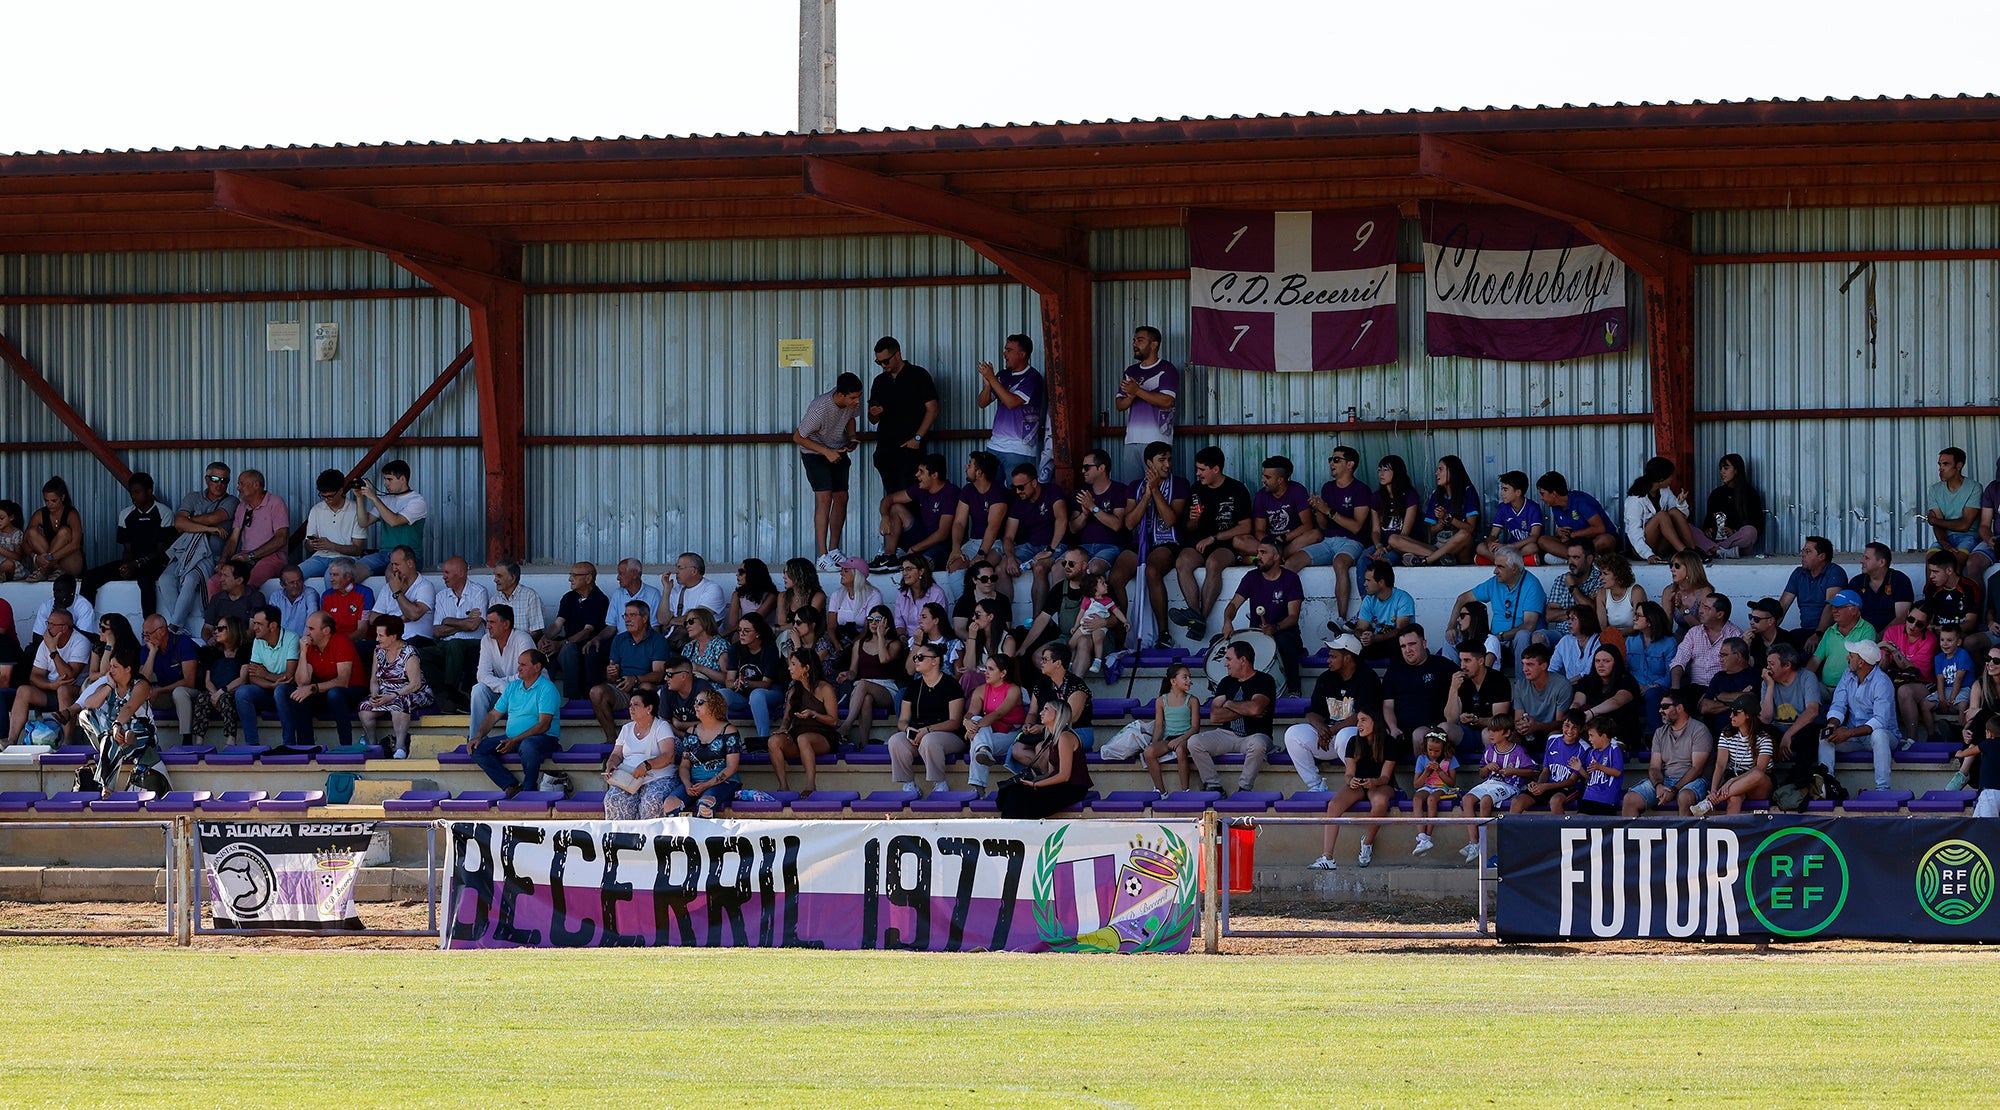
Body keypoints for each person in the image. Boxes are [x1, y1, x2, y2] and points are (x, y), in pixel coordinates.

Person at [1169, 446, 1254, 641]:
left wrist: (1214, 537)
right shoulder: (1197, 489)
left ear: (1216, 469)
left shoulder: (1237, 488)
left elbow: (1245, 527)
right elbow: (1189, 527)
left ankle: (1200, 618)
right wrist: (1193, 520)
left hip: (1224, 544)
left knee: (1213, 564)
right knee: (1182, 562)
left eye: (1202, 469)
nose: (1197, 474)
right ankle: (1195, 614)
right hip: (1199, 543)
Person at [1283, 634, 1383, 792]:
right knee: (1293, 733)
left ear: (1348, 658)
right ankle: (1316, 786)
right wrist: (1320, 727)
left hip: (1357, 740)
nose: (1328, 660)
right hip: (1328, 738)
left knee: (1345, 736)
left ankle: (1359, 783)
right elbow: (1313, 712)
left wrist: (1331, 731)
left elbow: (1364, 715)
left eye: (1333, 656)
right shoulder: (1326, 678)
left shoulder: (1367, 678)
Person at [1310, 709, 1399, 870]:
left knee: (1379, 801)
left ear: (1375, 722)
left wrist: (1374, 782)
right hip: (1358, 785)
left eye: (1363, 720)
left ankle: (1367, 843)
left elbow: (1386, 777)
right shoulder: (1353, 741)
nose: (1359, 724)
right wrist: (1351, 781)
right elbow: (1349, 774)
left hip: (1381, 785)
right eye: (1358, 720)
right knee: (1333, 805)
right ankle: (1327, 857)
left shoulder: (1390, 743)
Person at [156, 463, 239, 637]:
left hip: (210, 556)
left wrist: (191, 521)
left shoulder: (231, 501)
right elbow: (178, 524)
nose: (220, 484)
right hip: (184, 553)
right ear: (206, 479)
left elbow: (212, 518)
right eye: (215, 479)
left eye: (224, 480)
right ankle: (181, 626)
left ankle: (174, 628)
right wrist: (210, 529)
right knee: (164, 579)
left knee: (191, 579)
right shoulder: (193, 497)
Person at [1289, 446, 1371, 620]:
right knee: (1291, 563)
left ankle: (1341, 619)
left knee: (1340, 563)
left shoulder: (1361, 489)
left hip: (1352, 541)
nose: (1331, 463)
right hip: (1328, 540)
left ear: (1350, 464)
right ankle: (1283, 613)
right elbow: (1323, 525)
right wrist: (1318, 509)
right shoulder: (1327, 487)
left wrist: (1328, 511)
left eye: (1336, 459)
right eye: (1330, 459)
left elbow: (1356, 527)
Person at [467, 648, 562, 797]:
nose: (518, 668)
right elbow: (493, 715)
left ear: (537, 667)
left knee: (528, 745)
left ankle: (529, 790)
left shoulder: (547, 689)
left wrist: (515, 740)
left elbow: (544, 725)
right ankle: (511, 785)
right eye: (519, 664)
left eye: (523, 665)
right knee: (478, 749)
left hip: (544, 738)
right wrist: (478, 735)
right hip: (514, 738)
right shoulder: (512, 687)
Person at [1187, 640, 1274, 795]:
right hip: (1226, 735)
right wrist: (1244, 708)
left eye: (1228, 659)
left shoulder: (1264, 680)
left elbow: (1255, 708)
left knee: (1259, 744)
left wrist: (1228, 703)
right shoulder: (1225, 682)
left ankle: (1244, 788)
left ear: (1243, 660)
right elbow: (1215, 716)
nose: (1225, 664)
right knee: (1194, 742)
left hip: (1255, 734)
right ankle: (1214, 786)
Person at [76, 642, 165, 794]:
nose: (110, 670)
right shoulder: (109, 685)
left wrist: (117, 724)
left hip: (140, 734)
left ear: (128, 669)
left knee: (112, 740)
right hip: (115, 733)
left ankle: (106, 787)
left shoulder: (141, 685)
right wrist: (109, 687)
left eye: (115, 667)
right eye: (110, 666)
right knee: (85, 714)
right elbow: (89, 703)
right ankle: (111, 739)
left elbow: (129, 707)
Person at [1126, 440, 1191, 646]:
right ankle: (1121, 631)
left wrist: (1155, 491)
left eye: (1169, 460)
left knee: (1152, 571)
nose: (1167, 465)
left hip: (1168, 542)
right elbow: (1129, 523)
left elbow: (1171, 519)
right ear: (1149, 463)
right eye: (1161, 460)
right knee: (1116, 576)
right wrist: (1145, 497)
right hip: (1141, 541)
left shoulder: (1180, 484)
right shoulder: (1134, 486)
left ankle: (1164, 633)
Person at [1098, 663, 1196, 797]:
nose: (1189, 680)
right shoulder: (1161, 701)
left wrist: (1180, 739)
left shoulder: (1192, 700)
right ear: (1173, 681)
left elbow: (1195, 727)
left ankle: (1185, 791)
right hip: (1169, 738)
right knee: (1148, 752)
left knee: (1180, 750)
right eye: (1185, 677)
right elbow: (1159, 725)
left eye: (1189, 677)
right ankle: (1161, 791)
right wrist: (1154, 743)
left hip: (1185, 738)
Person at [80, 472, 172, 614]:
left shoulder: (164, 512)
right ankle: (83, 621)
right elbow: (127, 549)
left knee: (146, 582)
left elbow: (161, 550)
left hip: (155, 565)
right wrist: (126, 567)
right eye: (131, 492)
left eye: (137, 492)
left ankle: (149, 627)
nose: (133, 496)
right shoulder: (126, 514)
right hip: (133, 563)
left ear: (149, 492)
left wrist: (136, 564)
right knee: (90, 577)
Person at [1221, 538, 1304, 692]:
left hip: (1284, 633)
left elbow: (1293, 616)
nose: (1257, 556)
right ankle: (1219, 691)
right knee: (1220, 643)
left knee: (1285, 641)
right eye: (1257, 552)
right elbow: (1233, 604)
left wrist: (1275, 627)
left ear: (1276, 557)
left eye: (1263, 553)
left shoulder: (1291, 579)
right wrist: (1227, 621)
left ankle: (1294, 691)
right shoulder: (1251, 577)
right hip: (1257, 634)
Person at [866, 336, 939, 505]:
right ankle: (895, 531)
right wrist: (875, 413)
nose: (883, 366)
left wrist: (918, 438)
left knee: (913, 498)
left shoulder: (919, 376)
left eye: (885, 361)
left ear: (898, 354)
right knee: (892, 500)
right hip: (886, 450)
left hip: (910, 451)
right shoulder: (880, 381)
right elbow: (872, 419)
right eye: (879, 363)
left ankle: (914, 531)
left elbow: (933, 409)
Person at [1821, 638, 1899, 791]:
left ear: (1861, 662)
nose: (1847, 657)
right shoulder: (1848, 674)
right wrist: (1833, 725)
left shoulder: (1882, 682)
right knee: (1824, 736)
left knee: (1879, 735)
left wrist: (1849, 733)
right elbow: (1838, 704)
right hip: (1855, 736)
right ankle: (1826, 785)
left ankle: (1882, 789)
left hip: (1884, 736)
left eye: (1851, 655)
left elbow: (1880, 721)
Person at [888, 642, 965, 795]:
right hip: (918, 734)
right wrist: (907, 729)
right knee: (896, 740)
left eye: (921, 657)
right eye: (915, 657)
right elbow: (902, 720)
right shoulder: (913, 687)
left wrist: (928, 730)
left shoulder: (951, 685)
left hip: (949, 736)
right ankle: (909, 784)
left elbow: (955, 722)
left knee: (930, 740)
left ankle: (940, 783)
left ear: (935, 661)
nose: (916, 660)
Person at [1621, 689, 1714, 816]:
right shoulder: (1659, 732)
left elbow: (1697, 769)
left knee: (1685, 797)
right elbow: (1654, 767)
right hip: (1666, 779)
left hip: (1694, 780)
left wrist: (1674, 789)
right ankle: (1631, 835)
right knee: (1630, 799)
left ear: (1680, 708)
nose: (1660, 711)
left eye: (1665, 707)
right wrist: (1659, 785)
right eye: (1660, 707)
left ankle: (1685, 836)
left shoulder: (1699, 730)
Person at [996, 700, 1093, 819]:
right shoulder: (1052, 738)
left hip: (1072, 788)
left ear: (1058, 714)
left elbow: (1064, 776)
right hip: (1060, 785)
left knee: (1018, 797)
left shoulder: (1065, 737)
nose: (1041, 713)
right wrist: (1034, 779)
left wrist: (1036, 784)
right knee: (1010, 790)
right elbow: (1052, 773)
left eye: (1046, 709)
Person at [4, 609, 88, 746]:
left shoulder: (80, 642)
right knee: (23, 690)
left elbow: (69, 676)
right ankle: (11, 740)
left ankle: (67, 742)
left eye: (53, 624)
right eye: (48, 623)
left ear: (65, 628)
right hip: (51, 689)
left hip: (75, 693)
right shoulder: (46, 643)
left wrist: (53, 650)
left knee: (63, 689)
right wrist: (50, 686)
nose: (48, 627)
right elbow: (34, 676)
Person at [1459, 717, 1536, 862]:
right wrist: (1487, 767)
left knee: (1486, 800)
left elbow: (1533, 771)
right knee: (1467, 799)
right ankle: (1474, 843)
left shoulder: (1518, 751)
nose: (1491, 734)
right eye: (1489, 730)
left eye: (1495, 731)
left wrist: (1514, 771)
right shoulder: (1489, 750)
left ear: (1507, 733)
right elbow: (1481, 773)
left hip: (1510, 786)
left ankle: (1483, 842)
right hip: (1490, 783)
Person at [1455, 547, 1545, 671]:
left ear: (1514, 569)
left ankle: (1521, 684)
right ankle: (1452, 681)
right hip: (1496, 641)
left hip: (1517, 643)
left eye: (1500, 567)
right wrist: (1450, 627)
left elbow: (1529, 625)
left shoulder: (1532, 585)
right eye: (1495, 566)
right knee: (1452, 637)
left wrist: (1500, 637)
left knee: (1522, 635)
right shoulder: (1495, 582)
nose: (1495, 571)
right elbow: (1462, 599)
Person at [589, 601, 668, 742]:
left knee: (646, 688)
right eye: (625, 615)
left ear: (644, 618)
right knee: (596, 692)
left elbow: (659, 674)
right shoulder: (619, 639)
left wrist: (636, 679)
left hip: (645, 685)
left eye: (632, 615)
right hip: (623, 687)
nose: (627, 619)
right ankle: (612, 740)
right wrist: (612, 673)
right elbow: (612, 678)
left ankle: (648, 738)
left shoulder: (658, 640)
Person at [279, 611, 360, 748]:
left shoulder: (341, 641)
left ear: (326, 630)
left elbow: (343, 681)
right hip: (324, 691)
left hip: (352, 691)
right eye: (307, 628)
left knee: (334, 694)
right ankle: (306, 747)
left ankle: (346, 746)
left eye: (311, 628)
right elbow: (302, 682)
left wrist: (312, 688)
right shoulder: (311, 646)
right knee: (297, 694)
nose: (307, 633)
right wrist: (303, 652)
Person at [358, 613, 434, 758]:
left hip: (411, 692)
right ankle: (373, 745)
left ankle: (400, 747)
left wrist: (392, 696)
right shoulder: (378, 651)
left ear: (393, 637)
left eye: (381, 636)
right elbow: (374, 679)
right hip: (385, 693)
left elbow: (415, 684)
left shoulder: (409, 652)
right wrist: (374, 695)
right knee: (365, 707)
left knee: (398, 703)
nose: (377, 639)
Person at [602, 689, 683, 820]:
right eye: (630, 705)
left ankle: (649, 839)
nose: (631, 708)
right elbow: (616, 754)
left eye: (636, 705)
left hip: (658, 777)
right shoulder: (626, 728)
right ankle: (621, 839)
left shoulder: (662, 726)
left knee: (652, 801)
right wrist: (611, 764)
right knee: (613, 799)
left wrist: (646, 765)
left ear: (649, 708)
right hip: (629, 779)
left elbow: (669, 755)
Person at [1071, 449, 1138, 606]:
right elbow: (1073, 527)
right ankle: (1066, 617)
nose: (1082, 471)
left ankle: (1096, 617)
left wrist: (1093, 508)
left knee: (1094, 569)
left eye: (1087, 467)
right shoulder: (1082, 492)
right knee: (1060, 569)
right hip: (1084, 547)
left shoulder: (1120, 490)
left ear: (1101, 468)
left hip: (1111, 546)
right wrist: (1084, 514)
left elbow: (1117, 524)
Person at [871, 453, 959, 572]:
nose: (916, 475)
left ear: (934, 475)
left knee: (919, 568)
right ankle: (889, 557)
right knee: (895, 508)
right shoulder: (920, 488)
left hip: (941, 546)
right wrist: (885, 517)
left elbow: (942, 534)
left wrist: (914, 549)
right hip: (922, 537)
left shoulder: (950, 492)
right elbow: (889, 499)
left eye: (921, 471)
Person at [421, 556, 488, 711]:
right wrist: (462, 622)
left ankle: (453, 694)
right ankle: (443, 693)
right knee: (419, 654)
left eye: (447, 572)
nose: (443, 577)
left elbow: (473, 626)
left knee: (455, 644)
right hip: (446, 644)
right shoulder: (442, 596)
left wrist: (448, 621)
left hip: (472, 644)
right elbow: (437, 631)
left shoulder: (478, 592)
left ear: (461, 573)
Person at [769, 648, 839, 796]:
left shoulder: (825, 688)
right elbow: (787, 718)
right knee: (774, 741)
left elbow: (833, 721)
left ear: (806, 668)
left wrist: (814, 714)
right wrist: (783, 728)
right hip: (798, 733)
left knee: (803, 739)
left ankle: (810, 785)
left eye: (793, 664)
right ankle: (783, 786)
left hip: (822, 735)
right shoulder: (794, 690)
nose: (789, 668)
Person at [1002, 463, 1071, 610]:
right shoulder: (1018, 501)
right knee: (1001, 568)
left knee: (1039, 568)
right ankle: (1005, 621)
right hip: (1030, 546)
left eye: (1021, 487)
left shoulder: (1052, 491)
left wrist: (1050, 549)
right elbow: (1008, 536)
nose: (1018, 491)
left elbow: (1062, 519)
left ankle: (1038, 621)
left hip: (1056, 544)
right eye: (1014, 488)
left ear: (1034, 483)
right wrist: (1010, 558)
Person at [976, 333, 1045, 477]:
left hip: (1019, 449)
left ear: (1022, 354)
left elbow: (1011, 402)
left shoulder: (1033, 378)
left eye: (1009, 350)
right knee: (993, 492)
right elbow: (982, 403)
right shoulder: (1003, 375)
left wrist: (991, 378)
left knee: (1017, 493)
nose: (1004, 353)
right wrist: (988, 385)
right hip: (995, 445)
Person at [228, 605, 299, 747]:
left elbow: (289, 676)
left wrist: (266, 675)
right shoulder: (257, 641)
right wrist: (272, 684)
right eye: (254, 623)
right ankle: (252, 744)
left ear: (272, 626)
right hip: (268, 690)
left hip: (289, 692)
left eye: (259, 624)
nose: (254, 628)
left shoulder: (292, 638)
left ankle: (289, 744)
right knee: (242, 692)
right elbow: (253, 677)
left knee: (280, 691)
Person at [1115, 325, 1178, 480]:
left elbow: (1167, 401)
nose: (1135, 344)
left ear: (1154, 344)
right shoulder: (1131, 371)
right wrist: (1130, 396)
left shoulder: (1166, 369)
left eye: (1140, 340)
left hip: (1157, 440)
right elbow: (1119, 405)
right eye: (1134, 340)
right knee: (1133, 489)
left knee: (1159, 488)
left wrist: (1137, 391)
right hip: (1131, 440)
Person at [1392, 456, 1479, 566]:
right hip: (1439, 546)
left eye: (1440, 469)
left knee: (1464, 534)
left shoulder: (1467, 492)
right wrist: (1439, 524)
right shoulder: (1437, 495)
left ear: (1452, 471)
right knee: (1394, 539)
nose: (1436, 473)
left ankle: (1426, 560)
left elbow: (1470, 529)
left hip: (1460, 549)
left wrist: (1448, 517)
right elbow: (1429, 532)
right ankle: (1441, 558)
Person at [962, 653, 1028, 798]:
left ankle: (978, 792)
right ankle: (983, 749)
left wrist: (973, 729)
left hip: (1011, 736)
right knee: (979, 738)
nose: (986, 672)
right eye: (986, 668)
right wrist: (966, 722)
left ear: (1003, 673)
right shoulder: (980, 690)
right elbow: (971, 713)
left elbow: (998, 713)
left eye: (991, 669)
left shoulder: (1014, 690)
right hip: (990, 735)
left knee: (977, 742)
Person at [211, 469, 289, 592]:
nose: (238, 487)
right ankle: (221, 611)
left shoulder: (275, 502)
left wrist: (251, 555)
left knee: (248, 582)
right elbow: (233, 539)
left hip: (272, 556)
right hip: (244, 559)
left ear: (256, 485)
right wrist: (223, 561)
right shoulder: (242, 507)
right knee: (213, 583)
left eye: (241, 483)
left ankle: (242, 610)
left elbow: (281, 538)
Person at [1382, 625, 1457, 750]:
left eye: (1412, 644)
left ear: (1424, 643)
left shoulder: (1443, 666)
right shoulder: (1394, 670)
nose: (1408, 650)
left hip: (1436, 733)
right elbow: (1388, 706)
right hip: (1402, 734)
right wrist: (1393, 728)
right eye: (1403, 646)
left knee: (1420, 735)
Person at [540, 563, 608, 700]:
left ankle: (573, 699)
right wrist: (545, 638)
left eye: (574, 575)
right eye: (570, 575)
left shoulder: (599, 599)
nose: (570, 579)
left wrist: (561, 644)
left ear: (588, 578)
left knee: (568, 650)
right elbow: (558, 624)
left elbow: (587, 631)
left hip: (589, 643)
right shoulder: (568, 597)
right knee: (545, 649)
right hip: (570, 641)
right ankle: (542, 696)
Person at [837, 605, 904, 744]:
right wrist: (846, 674)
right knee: (866, 699)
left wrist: (880, 637)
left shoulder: (894, 643)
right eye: (870, 619)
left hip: (886, 688)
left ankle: (846, 726)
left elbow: (884, 659)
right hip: (863, 689)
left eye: (878, 619)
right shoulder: (859, 643)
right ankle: (863, 743)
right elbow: (854, 671)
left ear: (886, 621)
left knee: (863, 684)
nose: (873, 623)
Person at [470, 604, 536, 741]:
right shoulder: (486, 640)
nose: (488, 626)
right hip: (504, 693)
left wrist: (504, 685)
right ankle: (475, 739)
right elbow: (482, 675)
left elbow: (527, 676)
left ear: (506, 624)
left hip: (528, 693)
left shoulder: (523, 639)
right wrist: (503, 687)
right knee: (478, 689)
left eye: (492, 622)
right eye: (487, 622)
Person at [1697, 703, 1775, 815]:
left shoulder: (1764, 738)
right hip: (1734, 777)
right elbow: (1720, 765)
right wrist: (1713, 790)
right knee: (1734, 799)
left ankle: (1711, 802)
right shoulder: (1726, 734)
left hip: (1759, 783)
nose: (1731, 716)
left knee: (1757, 774)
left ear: (1748, 715)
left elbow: (1760, 769)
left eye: (1735, 713)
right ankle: (1730, 829)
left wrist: (1733, 780)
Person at [948, 451, 1012, 587]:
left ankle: (983, 605)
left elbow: (993, 527)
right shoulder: (967, 490)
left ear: (979, 473)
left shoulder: (998, 492)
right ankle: (964, 604)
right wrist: (955, 549)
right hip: (973, 542)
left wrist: (981, 554)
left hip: (995, 543)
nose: (965, 467)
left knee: (983, 570)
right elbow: (959, 523)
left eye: (970, 465)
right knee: (954, 566)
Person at [676, 690, 743, 817]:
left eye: (700, 702)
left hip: (723, 782)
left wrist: (706, 785)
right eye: (694, 702)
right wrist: (687, 784)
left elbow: (732, 767)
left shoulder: (729, 731)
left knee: (705, 805)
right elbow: (684, 765)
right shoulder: (691, 731)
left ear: (713, 705)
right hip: (694, 782)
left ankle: (705, 837)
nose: (695, 706)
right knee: (670, 804)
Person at [1241, 455, 1319, 564]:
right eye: (1263, 476)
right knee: (1238, 541)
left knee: (1315, 535)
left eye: (1267, 477)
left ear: (1280, 480)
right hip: (1269, 542)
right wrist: (1271, 543)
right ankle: (1276, 556)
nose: (1263, 480)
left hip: (1292, 541)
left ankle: (1270, 557)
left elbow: (1307, 525)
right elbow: (1259, 530)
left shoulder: (1298, 490)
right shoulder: (1261, 496)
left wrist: (1283, 538)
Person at [1442, 642, 1513, 760]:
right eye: (1461, 661)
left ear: (1480, 661)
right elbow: (1451, 719)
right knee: (1444, 728)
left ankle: (1495, 774)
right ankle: (1443, 774)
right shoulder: (1461, 680)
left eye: (1467, 661)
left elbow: (1500, 720)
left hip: (1490, 733)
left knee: (1489, 733)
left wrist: (1476, 720)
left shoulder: (1498, 680)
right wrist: (1453, 689)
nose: (1462, 666)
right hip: (1467, 733)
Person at [354, 460, 428, 571]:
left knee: (392, 572)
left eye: (389, 479)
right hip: (384, 554)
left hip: (409, 555)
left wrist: (374, 498)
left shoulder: (417, 501)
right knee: (353, 570)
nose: (385, 484)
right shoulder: (386, 499)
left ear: (402, 479)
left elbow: (394, 522)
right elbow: (364, 522)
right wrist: (359, 497)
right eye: (385, 479)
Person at [140, 615, 204, 742]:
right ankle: (142, 738)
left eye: (149, 634)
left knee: (179, 692)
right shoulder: (147, 648)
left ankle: (187, 738)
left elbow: (189, 682)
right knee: (140, 695)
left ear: (162, 631)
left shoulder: (183, 643)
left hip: (193, 694)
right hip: (167, 693)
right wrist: (152, 653)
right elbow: (142, 682)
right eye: (144, 635)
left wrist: (159, 691)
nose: (146, 638)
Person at [1622, 455, 1697, 562]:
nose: (1672, 479)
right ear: (1661, 480)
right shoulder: (1635, 499)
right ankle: (1685, 553)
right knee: (1662, 515)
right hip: (1640, 550)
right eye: (1670, 476)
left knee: (1673, 512)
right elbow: (1634, 532)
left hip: (1660, 546)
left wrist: (1681, 504)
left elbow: (1682, 516)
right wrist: (1647, 554)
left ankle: (1693, 551)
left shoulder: (1665, 491)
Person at [1881, 605, 1940, 739]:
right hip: (1895, 679)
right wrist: (1885, 655)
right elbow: (1881, 669)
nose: (1913, 626)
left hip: (1923, 682)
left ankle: (1912, 739)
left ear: (1927, 624)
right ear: (1907, 614)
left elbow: (1913, 671)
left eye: (1919, 624)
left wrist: (1896, 653)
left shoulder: (1930, 640)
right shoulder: (1892, 631)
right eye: (1911, 619)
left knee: (1904, 691)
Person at [296, 469, 367, 580]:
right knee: (294, 575)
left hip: (346, 559)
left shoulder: (356, 510)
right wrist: (312, 544)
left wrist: (332, 546)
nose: (326, 500)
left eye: (330, 496)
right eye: (323, 496)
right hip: (319, 557)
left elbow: (357, 549)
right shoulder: (316, 510)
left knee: (332, 578)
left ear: (341, 490)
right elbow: (308, 547)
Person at [1778, 536, 1849, 646]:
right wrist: (1769, 628)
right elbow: (1782, 605)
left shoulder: (1834, 572)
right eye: (1803, 550)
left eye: (1808, 551)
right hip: (1805, 632)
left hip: (1829, 632)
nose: (1803, 554)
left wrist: (1818, 634)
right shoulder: (1798, 573)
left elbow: (1831, 606)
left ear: (1821, 556)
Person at [1761, 642, 1825, 764]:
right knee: (1762, 733)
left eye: (1772, 664)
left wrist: (1788, 735)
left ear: (1787, 665)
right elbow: (1765, 719)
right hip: (1778, 730)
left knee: (1808, 734)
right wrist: (1770, 686)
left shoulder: (1807, 677)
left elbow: (1812, 711)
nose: (1767, 668)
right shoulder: (1767, 682)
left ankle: (1801, 780)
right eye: (1768, 664)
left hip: (1802, 729)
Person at [1514, 709, 1588, 813]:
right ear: (1562, 725)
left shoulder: (1584, 748)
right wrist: (1538, 785)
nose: (1570, 731)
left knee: (1555, 801)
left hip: (1569, 788)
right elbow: (1545, 770)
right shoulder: (1552, 740)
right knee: (1517, 802)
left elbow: (1572, 781)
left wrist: (1544, 786)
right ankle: (1514, 830)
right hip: (1549, 785)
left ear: (1580, 730)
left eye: (1575, 727)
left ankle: (1559, 829)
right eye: (1567, 725)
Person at [1691, 453, 1764, 557]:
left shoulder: (1750, 493)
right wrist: (1708, 530)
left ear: (1736, 470)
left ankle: (1716, 550)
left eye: (1726, 468)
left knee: (1750, 532)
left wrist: (1734, 531)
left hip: (1734, 540)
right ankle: (1719, 550)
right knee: (1687, 528)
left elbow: (1757, 524)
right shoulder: (1716, 494)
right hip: (1715, 538)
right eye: (1720, 469)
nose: (1722, 472)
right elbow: (1708, 521)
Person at [722, 614, 784, 738]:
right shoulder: (735, 649)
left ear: (758, 633)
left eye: (746, 631)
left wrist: (747, 683)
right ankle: (723, 738)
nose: (741, 634)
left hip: (770, 693)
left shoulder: (770, 649)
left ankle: (763, 739)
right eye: (739, 630)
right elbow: (728, 680)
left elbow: (767, 684)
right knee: (720, 694)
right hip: (743, 695)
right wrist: (735, 684)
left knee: (757, 695)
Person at [364, 545, 437, 648]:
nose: (394, 569)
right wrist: (397, 620)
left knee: (411, 646)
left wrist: (397, 592)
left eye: (397, 564)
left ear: (410, 563)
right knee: (359, 648)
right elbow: (372, 618)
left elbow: (413, 615)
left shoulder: (425, 586)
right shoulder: (388, 587)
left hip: (418, 640)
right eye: (392, 564)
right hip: (390, 641)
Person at [1670, 593, 1745, 690]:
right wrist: (1675, 688)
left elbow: (1739, 668)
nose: (1700, 611)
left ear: (1720, 614)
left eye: (1706, 608)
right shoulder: (1694, 633)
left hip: (1724, 688)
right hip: (1696, 688)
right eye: (1701, 606)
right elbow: (1679, 661)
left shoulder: (1735, 634)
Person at [1533, 471, 1617, 557]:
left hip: (1595, 541)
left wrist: (1573, 535)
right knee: (1542, 540)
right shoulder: (1555, 507)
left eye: (1542, 494)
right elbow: (1566, 534)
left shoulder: (1581, 501)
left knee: (1606, 541)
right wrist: (1560, 534)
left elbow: (1600, 528)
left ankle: (1572, 558)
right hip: (1576, 544)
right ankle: (1576, 558)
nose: (1541, 498)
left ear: (1554, 493)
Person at [1572, 643, 1644, 744]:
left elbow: (1616, 701)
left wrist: (1591, 713)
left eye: (1606, 661)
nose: (1601, 665)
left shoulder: (1627, 681)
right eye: (1597, 661)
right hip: (1590, 731)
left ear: (1616, 662)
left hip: (1620, 731)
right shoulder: (1587, 680)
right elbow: (1578, 702)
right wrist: (1574, 714)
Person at [1809, 590, 1879, 693]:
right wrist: (1802, 680)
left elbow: (1862, 664)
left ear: (1854, 610)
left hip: (1852, 690)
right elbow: (1815, 660)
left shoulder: (1867, 630)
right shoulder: (1830, 631)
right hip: (1825, 687)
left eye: (1839, 607)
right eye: (1833, 607)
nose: (1834, 611)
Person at [1345, 560, 1414, 661]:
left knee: (1397, 644)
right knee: (1351, 646)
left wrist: (1375, 638)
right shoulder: (1368, 600)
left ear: (1381, 582)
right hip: (1377, 642)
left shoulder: (1403, 598)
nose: (1364, 584)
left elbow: (1401, 630)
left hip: (1397, 643)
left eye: (1368, 580)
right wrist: (1363, 637)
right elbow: (1359, 628)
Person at [21, 476, 85, 581]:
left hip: (70, 563)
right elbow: (25, 541)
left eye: (53, 501)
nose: (49, 504)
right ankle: (52, 568)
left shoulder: (71, 514)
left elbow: (75, 544)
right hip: (48, 564)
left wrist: (50, 558)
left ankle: (46, 569)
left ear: (62, 497)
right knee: (31, 531)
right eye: (46, 501)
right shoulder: (40, 514)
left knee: (64, 532)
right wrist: (35, 557)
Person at [200, 615, 252, 744]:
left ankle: (231, 740)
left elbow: (242, 678)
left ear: (232, 630)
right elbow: (207, 681)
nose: (215, 632)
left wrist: (221, 692)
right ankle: (199, 742)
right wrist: (214, 695)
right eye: (216, 628)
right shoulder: (211, 652)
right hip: (215, 691)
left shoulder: (245, 650)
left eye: (220, 628)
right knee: (202, 698)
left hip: (233, 691)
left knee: (226, 698)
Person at [1926, 446, 1983, 562]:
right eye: (1939, 465)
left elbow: (1964, 525)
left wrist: (1934, 520)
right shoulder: (1934, 490)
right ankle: (1929, 582)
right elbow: (1938, 526)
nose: (1940, 469)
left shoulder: (1974, 488)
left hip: (1969, 537)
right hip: (1945, 539)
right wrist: (1945, 544)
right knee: (1931, 559)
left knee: (1956, 559)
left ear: (1959, 466)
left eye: (1945, 464)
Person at [1365, 456, 1421, 570]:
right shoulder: (1376, 497)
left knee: (1385, 561)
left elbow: (1404, 534)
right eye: (1379, 469)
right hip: (1381, 545)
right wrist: (1379, 546)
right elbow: (1375, 530)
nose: (1381, 473)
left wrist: (1387, 549)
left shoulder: (1410, 496)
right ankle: (1366, 588)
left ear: (1397, 471)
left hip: (1401, 546)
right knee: (1364, 560)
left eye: (1385, 469)